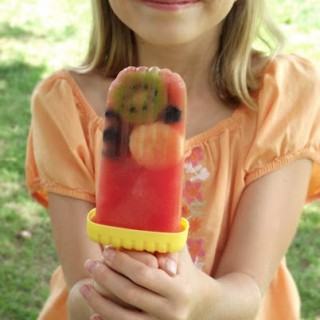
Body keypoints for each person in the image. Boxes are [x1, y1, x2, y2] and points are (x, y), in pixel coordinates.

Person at [25, 0, 320, 319]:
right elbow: (81, 287)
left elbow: (248, 288)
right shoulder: (64, 106)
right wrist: (117, 301)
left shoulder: (285, 98)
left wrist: (199, 303)